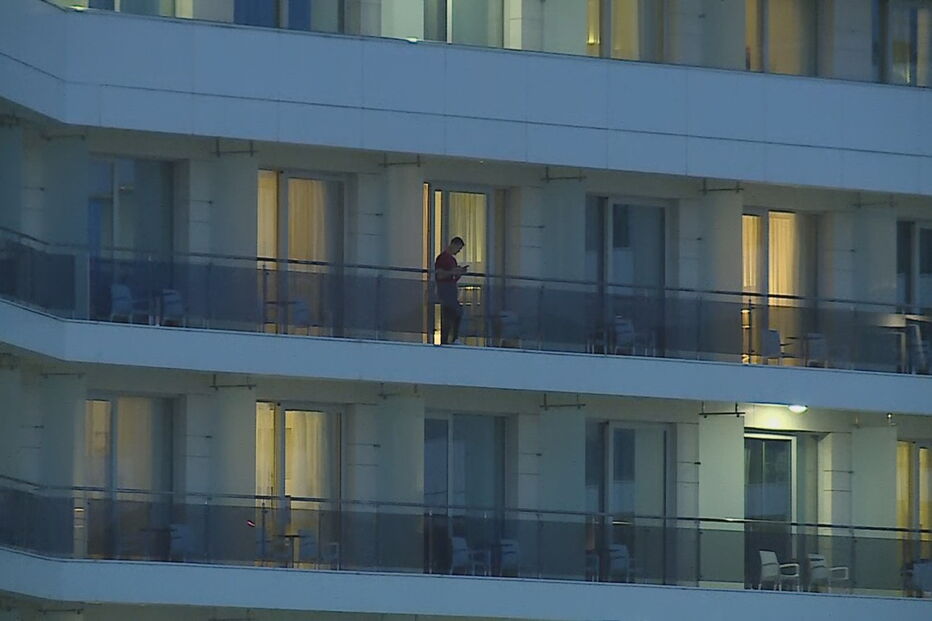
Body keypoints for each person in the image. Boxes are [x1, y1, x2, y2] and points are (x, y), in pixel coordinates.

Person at [434, 237, 468, 344]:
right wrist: (453, 272)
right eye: (459, 248)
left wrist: (459, 273)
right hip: (445, 290)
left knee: (451, 314)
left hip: (451, 290)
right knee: (454, 312)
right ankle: (451, 339)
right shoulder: (443, 258)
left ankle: (450, 339)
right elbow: (439, 275)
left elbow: (452, 278)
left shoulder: (452, 260)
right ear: (454, 244)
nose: (459, 251)